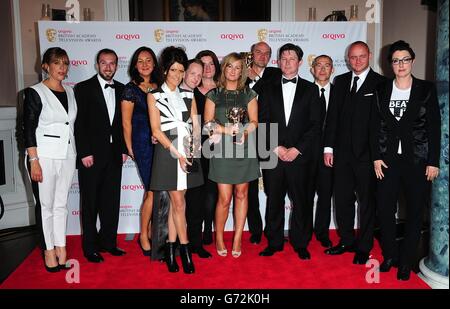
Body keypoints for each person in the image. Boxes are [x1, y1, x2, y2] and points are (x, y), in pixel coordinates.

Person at [370, 40, 441, 280]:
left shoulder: (426, 89)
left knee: (413, 213)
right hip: (387, 161)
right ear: (390, 64)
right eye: (396, 60)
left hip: (417, 161)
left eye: (405, 59)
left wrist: (433, 161)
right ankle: (390, 255)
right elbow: (374, 126)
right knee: (385, 210)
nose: (401, 64)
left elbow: (434, 127)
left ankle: (406, 261)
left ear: (412, 61)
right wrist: (376, 158)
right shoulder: (381, 89)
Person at [323, 41, 386, 264]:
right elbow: (332, 118)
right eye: (353, 57)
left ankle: (364, 245)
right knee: (342, 200)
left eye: (361, 56)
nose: (357, 61)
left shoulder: (381, 83)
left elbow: (383, 124)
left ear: (369, 56)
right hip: (341, 156)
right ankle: (346, 240)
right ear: (348, 59)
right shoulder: (339, 81)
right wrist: (328, 148)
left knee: (367, 203)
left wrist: (379, 155)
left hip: (368, 157)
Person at [258, 43, 321, 260]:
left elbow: (315, 124)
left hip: (300, 157)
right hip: (273, 155)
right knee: (274, 200)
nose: (287, 62)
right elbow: (262, 121)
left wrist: (297, 149)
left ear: (300, 62)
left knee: (301, 201)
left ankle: (300, 242)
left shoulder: (311, 89)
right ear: (278, 62)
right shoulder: (266, 89)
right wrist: (276, 147)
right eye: (283, 58)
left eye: (291, 58)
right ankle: (274, 243)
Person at [148, 46, 203, 274]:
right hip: (168, 154)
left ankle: (170, 250)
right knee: (179, 203)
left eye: (181, 70)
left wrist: (191, 151)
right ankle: (186, 251)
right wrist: (178, 154)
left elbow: (196, 127)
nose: (178, 75)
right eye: (173, 70)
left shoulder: (189, 96)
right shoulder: (153, 96)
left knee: (176, 206)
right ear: (164, 70)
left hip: (188, 152)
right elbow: (156, 131)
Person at [23, 47, 77, 272]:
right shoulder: (35, 92)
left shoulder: (71, 92)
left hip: (67, 155)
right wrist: (33, 160)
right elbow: (27, 129)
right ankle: (48, 250)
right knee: (45, 205)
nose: (62, 68)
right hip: (43, 156)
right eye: (57, 63)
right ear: (46, 66)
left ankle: (61, 246)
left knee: (61, 204)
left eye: (65, 63)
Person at [204, 52, 259, 258]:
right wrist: (227, 131)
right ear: (223, 69)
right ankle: (219, 236)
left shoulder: (249, 94)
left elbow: (254, 121)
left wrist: (243, 132)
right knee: (224, 198)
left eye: (237, 67)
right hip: (221, 149)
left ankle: (237, 237)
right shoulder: (214, 94)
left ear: (242, 70)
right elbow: (208, 123)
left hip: (244, 148)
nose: (233, 71)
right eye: (229, 67)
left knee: (242, 194)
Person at [74, 48, 127, 263]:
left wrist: (124, 149)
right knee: (90, 203)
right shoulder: (83, 88)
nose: (108, 67)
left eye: (112, 63)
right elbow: (79, 124)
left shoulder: (123, 89)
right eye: (104, 63)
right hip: (92, 156)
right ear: (97, 64)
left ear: (116, 65)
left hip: (115, 155)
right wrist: (85, 152)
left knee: (111, 201)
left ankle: (109, 243)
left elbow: (124, 125)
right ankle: (90, 247)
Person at [121, 46, 162, 257]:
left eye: (148, 60)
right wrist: (130, 148)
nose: (145, 64)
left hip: (162, 143)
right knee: (152, 191)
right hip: (142, 144)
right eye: (140, 61)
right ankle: (144, 236)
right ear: (135, 65)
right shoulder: (130, 89)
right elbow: (126, 123)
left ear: (154, 63)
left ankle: (153, 232)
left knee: (157, 191)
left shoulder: (160, 86)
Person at [245, 41, 282, 245]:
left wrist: (256, 81)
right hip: (247, 138)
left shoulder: (276, 74)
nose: (262, 56)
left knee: (272, 187)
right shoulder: (239, 74)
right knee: (250, 188)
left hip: (270, 136)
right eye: (258, 52)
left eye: (267, 53)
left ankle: (272, 229)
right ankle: (256, 230)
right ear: (252, 54)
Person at [181, 58, 212, 258]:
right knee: (173, 202)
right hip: (174, 154)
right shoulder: (169, 94)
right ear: (183, 72)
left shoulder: (198, 96)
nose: (196, 78)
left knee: (196, 201)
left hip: (198, 154)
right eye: (193, 73)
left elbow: (203, 126)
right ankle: (172, 244)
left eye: (199, 75)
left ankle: (195, 244)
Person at [309, 55, 337, 248]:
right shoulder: (304, 91)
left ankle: (322, 232)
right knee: (304, 196)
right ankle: (302, 232)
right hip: (305, 153)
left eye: (327, 65)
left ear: (332, 69)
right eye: (318, 65)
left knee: (325, 195)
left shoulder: (340, 93)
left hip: (330, 154)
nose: (322, 69)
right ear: (312, 69)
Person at [194, 50, 221, 245]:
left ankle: (208, 231)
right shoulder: (189, 90)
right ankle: (193, 230)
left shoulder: (224, 90)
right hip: (195, 146)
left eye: (211, 63)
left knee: (213, 191)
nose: (208, 68)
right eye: (203, 64)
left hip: (219, 146)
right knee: (196, 191)